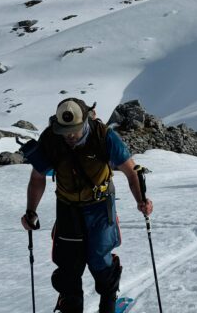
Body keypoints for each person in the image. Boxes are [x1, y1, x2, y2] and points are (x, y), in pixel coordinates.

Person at [20, 98, 153, 313]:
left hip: (100, 207)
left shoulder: (104, 136)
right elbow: (37, 178)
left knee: (99, 260)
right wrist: (31, 211)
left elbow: (131, 171)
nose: (70, 135)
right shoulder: (51, 140)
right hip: (67, 207)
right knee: (69, 268)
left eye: (74, 130)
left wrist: (141, 201)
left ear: (85, 123)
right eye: (65, 130)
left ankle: (108, 302)